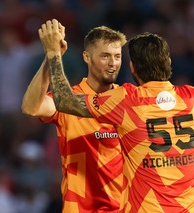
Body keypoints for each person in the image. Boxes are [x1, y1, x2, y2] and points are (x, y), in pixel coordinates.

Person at [40, 19, 194, 212]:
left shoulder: (127, 101)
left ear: (132, 68)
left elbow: (63, 101)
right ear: (169, 62)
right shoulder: (193, 100)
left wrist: (53, 52)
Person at [21, 20, 127, 213]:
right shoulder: (69, 98)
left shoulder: (130, 100)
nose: (113, 63)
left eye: (117, 56)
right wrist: (50, 57)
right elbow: (31, 107)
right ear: (86, 57)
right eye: (105, 56)